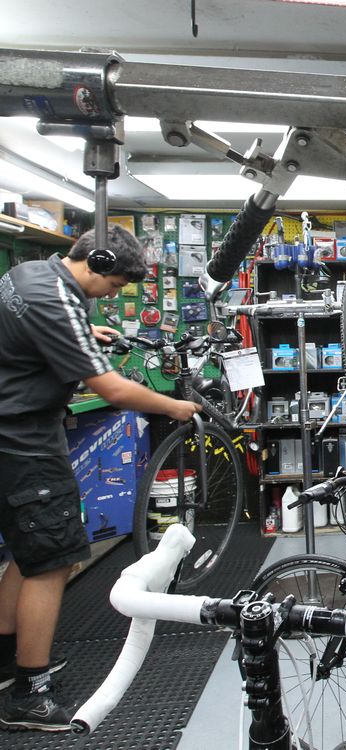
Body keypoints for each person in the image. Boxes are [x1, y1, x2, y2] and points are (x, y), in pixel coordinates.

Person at [0, 225, 201, 732]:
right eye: (113, 287)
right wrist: (177, 406)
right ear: (98, 261)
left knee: (28, 552)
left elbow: (34, 332)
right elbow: (113, 389)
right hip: (23, 437)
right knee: (54, 559)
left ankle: (8, 659)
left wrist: (86, 336)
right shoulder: (56, 301)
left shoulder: (29, 275)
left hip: (11, 431)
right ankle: (31, 692)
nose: (112, 296)